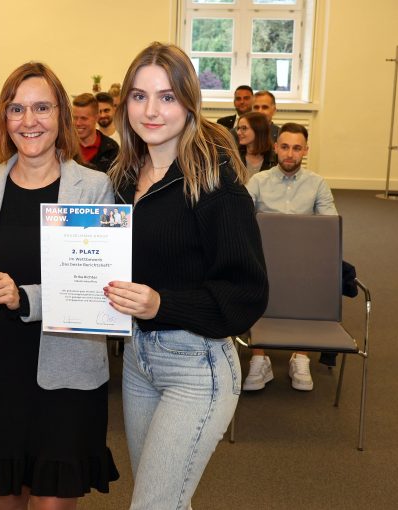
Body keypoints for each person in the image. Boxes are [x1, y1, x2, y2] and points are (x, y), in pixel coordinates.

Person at [0, 62, 119, 508]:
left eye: (42, 107)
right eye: (17, 109)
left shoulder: (95, 188)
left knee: (52, 500)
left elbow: (99, 288)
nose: (29, 121)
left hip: (66, 371)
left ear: (61, 115)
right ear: (3, 118)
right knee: (5, 498)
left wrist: (25, 297)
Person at [104, 42, 268, 510]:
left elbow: (247, 295)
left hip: (197, 367)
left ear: (189, 102)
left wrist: (163, 304)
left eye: (167, 97)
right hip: (137, 361)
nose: (151, 110)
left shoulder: (215, 183)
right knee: (166, 500)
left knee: (154, 506)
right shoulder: (121, 178)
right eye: (139, 96)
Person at [243, 122, 337, 392]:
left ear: (305, 151)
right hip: (264, 257)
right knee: (252, 278)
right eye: (284, 147)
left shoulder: (317, 184)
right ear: (275, 147)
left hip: (303, 260)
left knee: (312, 279)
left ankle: (301, 355)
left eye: (297, 148)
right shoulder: (258, 181)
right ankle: (259, 358)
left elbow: (330, 226)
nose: (289, 154)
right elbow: (242, 220)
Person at [72, 93, 119, 172]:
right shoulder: (64, 147)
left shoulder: (111, 149)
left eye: (84, 118)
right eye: (75, 118)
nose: (78, 123)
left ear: (96, 117)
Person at [236, 111, 277, 176]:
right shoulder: (234, 158)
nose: (238, 132)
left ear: (258, 130)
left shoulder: (275, 160)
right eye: (238, 128)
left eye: (244, 128)